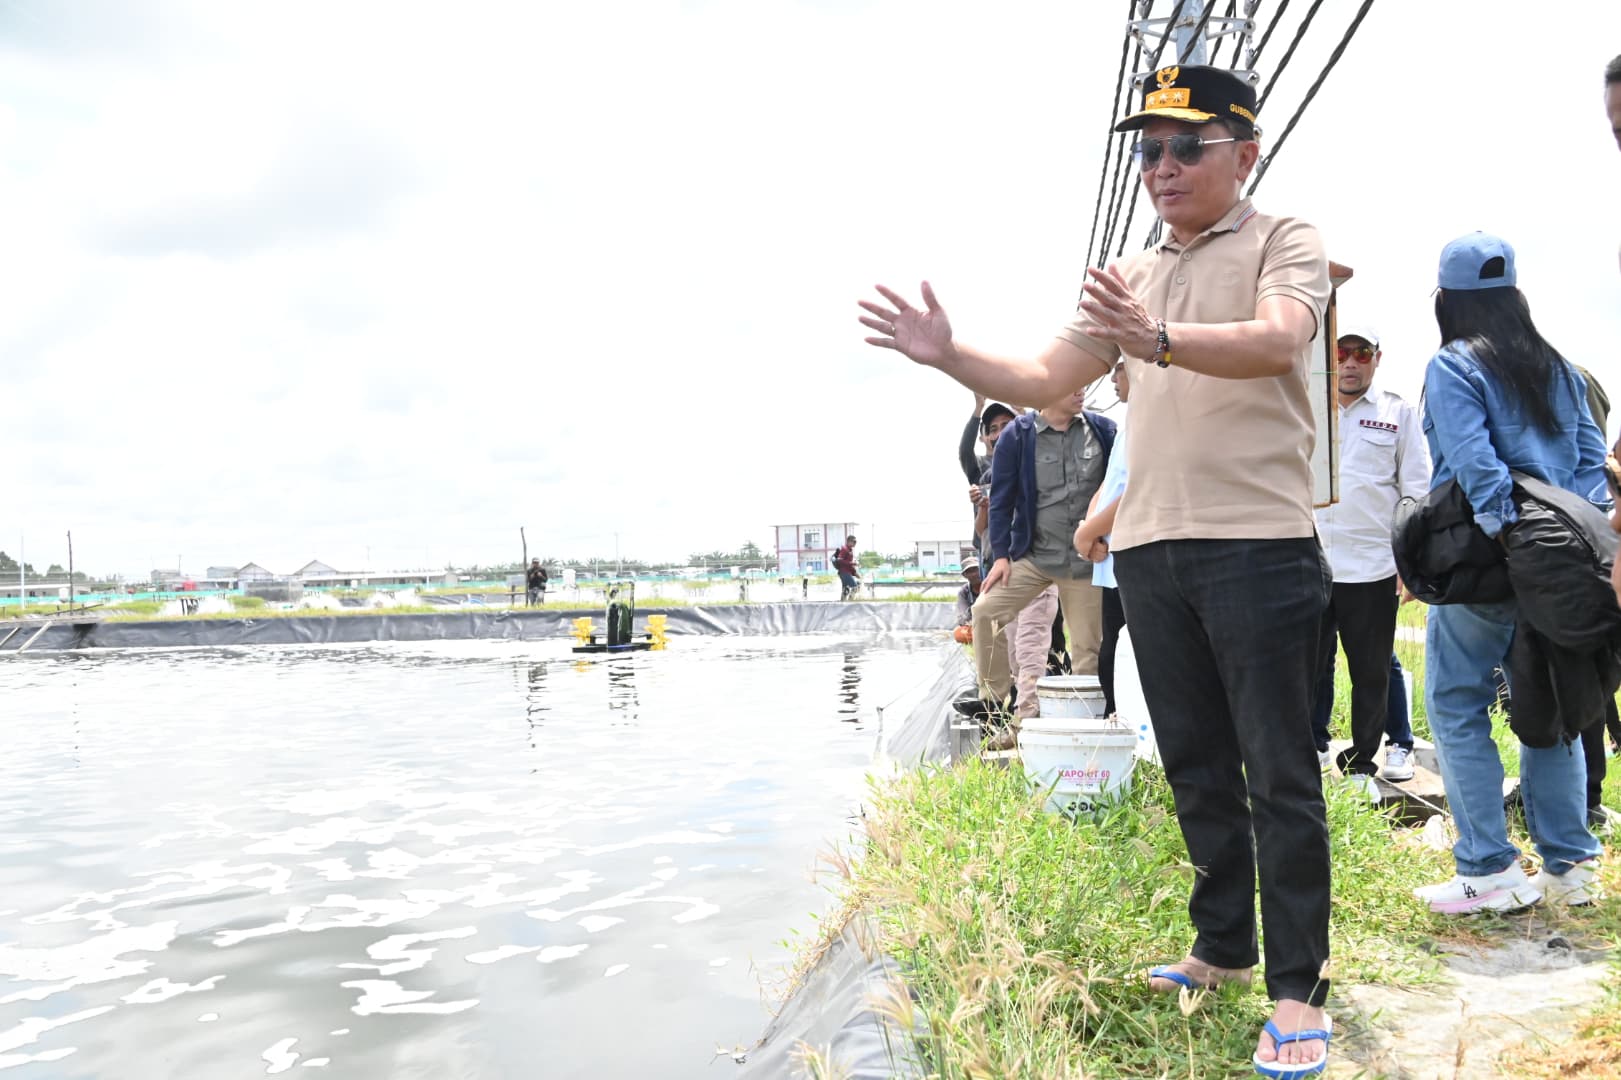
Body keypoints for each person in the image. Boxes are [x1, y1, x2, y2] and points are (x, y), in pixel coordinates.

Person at [860, 65, 1333, 1073]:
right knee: (1198, 761)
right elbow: (1039, 378)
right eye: (1147, 150)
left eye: (1183, 147)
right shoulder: (1132, 271)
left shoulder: (1281, 240)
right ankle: (1222, 950)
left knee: (1278, 771)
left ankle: (1297, 990)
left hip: (1257, 545)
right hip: (1151, 552)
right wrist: (948, 355)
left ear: (1241, 154)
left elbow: (1278, 339)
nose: (1160, 168)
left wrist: (1155, 340)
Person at [1414, 231, 1606, 914]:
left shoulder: (1453, 365)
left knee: (1456, 704)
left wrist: (1512, 538)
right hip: (1564, 560)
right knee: (1547, 707)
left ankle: (1488, 868)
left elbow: (1475, 465)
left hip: (1491, 565)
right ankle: (1570, 864)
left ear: (1446, 300)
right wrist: (1567, 541)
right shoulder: (1556, 365)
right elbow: (1589, 464)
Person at [1310, 326, 1429, 787]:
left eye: (1362, 353)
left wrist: (1410, 562)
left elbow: (1415, 492)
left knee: (1372, 670)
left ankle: (1362, 761)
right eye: (1342, 352)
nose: (1351, 362)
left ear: (1378, 358)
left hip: (1373, 564)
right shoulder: (1308, 407)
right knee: (1310, 666)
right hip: (1311, 562)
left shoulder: (1398, 412)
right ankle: (1314, 747)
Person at [965, 385, 1114, 735]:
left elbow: (1118, 488)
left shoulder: (1103, 431)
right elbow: (1001, 500)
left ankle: (1084, 734)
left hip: (1084, 562)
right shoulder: (1018, 435)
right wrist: (1001, 557)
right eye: (1072, 383)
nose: (1080, 390)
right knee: (986, 611)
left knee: (1086, 651)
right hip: (1034, 557)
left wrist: (1106, 538)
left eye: (1084, 383)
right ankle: (994, 704)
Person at [1072, 359, 1130, 716]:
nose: (1113, 376)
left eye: (1121, 367)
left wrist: (1086, 533)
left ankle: (1129, 729)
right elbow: (1108, 485)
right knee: (1112, 645)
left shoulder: (1150, 422)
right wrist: (1088, 529)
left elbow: (1139, 489)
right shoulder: (1127, 425)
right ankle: (1115, 721)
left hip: (1132, 554)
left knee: (1126, 650)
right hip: (1108, 556)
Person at [954, 555, 982, 628]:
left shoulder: (991, 585)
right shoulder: (963, 592)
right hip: (974, 623)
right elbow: (962, 617)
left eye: (976, 569)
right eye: (970, 571)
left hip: (993, 621)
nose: (974, 574)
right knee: (959, 634)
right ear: (964, 575)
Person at [832, 536, 860, 600]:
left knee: (845, 589)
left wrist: (855, 572)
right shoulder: (844, 549)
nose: (855, 543)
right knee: (855, 587)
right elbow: (840, 560)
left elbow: (849, 565)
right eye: (854, 542)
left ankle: (843, 602)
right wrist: (853, 563)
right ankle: (850, 602)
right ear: (849, 541)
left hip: (846, 572)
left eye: (856, 542)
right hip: (844, 572)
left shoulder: (850, 550)